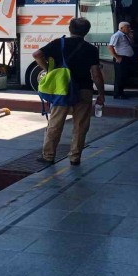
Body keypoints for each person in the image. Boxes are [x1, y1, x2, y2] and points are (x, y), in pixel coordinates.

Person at [33, 18, 105, 165]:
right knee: (81, 125)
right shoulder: (91, 49)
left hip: (62, 88)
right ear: (86, 31)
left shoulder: (58, 43)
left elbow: (37, 54)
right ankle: (75, 157)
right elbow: (96, 74)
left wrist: (48, 69)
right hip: (84, 89)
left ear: (70, 29)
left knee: (55, 123)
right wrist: (101, 94)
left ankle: (48, 156)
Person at [108, 21, 134, 99]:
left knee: (124, 76)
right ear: (122, 28)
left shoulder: (125, 35)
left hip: (126, 58)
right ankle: (117, 94)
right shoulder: (117, 35)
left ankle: (121, 93)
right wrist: (117, 57)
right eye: (127, 27)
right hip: (120, 58)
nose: (129, 28)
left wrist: (131, 37)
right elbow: (110, 47)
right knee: (119, 76)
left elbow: (130, 44)